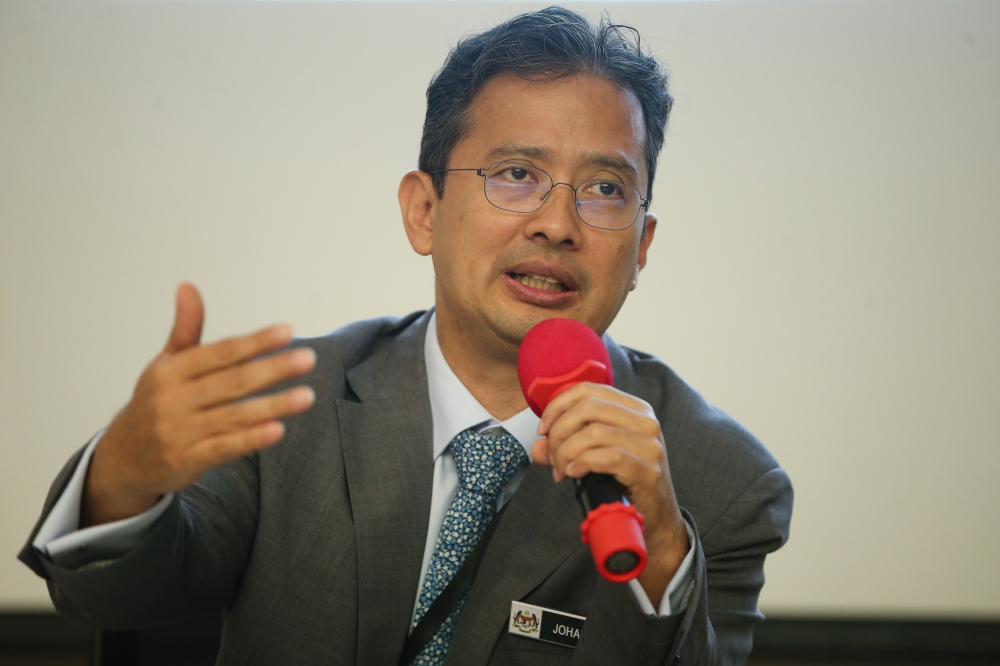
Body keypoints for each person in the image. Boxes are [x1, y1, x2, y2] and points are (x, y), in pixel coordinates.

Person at [20, 7, 792, 665]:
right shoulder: (289, 405)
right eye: (515, 174)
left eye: (604, 189)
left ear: (642, 247)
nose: (557, 224)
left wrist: (660, 552)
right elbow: (114, 599)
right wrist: (124, 473)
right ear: (424, 212)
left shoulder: (721, 480)